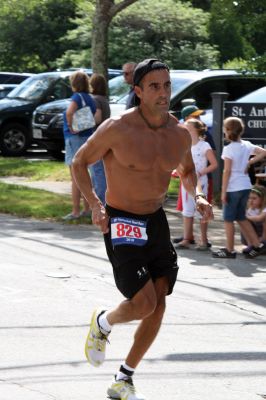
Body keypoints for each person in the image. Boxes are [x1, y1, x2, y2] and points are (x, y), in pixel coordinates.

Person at [72, 58, 213, 400]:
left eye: (166, 85)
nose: (163, 92)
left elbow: (188, 170)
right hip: (121, 220)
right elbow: (80, 162)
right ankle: (104, 321)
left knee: (159, 302)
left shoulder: (179, 133)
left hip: (156, 220)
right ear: (137, 91)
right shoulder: (117, 128)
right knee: (144, 303)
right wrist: (94, 204)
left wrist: (197, 195)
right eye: (154, 86)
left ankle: (124, 379)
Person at [212, 117, 266, 259]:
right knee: (241, 217)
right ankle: (257, 245)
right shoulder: (247, 144)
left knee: (228, 219)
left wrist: (223, 192)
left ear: (228, 131)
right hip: (246, 186)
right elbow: (264, 152)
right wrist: (250, 161)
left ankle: (229, 250)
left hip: (233, 188)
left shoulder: (228, 149)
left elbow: (227, 171)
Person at [173, 104, 216, 245]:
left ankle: (203, 240)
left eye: (188, 127)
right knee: (187, 210)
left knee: (202, 209)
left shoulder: (205, 143)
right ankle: (187, 237)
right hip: (187, 181)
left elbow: (214, 163)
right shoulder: (183, 142)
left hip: (202, 181)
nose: (198, 117)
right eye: (195, 115)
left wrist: (201, 171)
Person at [63, 70, 96, 220]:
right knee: (85, 175)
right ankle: (87, 208)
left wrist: (71, 127)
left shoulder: (76, 97)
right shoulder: (90, 98)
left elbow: (70, 112)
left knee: (76, 176)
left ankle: (75, 211)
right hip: (87, 137)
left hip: (75, 138)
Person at [89, 73, 110, 204]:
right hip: (105, 137)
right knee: (101, 170)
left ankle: (101, 202)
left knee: (98, 171)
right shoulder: (104, 99)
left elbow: (97, 117)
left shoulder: (96, 100)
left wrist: (81, 122)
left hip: (97, 137)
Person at [241, 185, 266, 251]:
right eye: (249, 198)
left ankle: (263, 240)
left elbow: (259, 218)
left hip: (262, 235)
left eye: (254, 198)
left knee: (264, 219)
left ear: (262, 199)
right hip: (254, 236)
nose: (251, 200)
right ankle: (250, 244)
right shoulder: (250, 209)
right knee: (243, 222)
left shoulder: (264, 209)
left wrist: (245, 217)